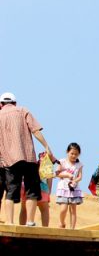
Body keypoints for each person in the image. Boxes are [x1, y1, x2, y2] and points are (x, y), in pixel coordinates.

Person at [0, 92, 53, 227]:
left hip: (8, 160)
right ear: (15, 103)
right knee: (32, 190)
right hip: (28, 157)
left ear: (1, 105)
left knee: (11, 190)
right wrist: (46, 146)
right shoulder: (23, 110)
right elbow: (35, 130)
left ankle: (10, 222)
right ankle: (30, 221)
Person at [54, 142, 84, 229]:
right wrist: (67, 175)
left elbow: (80, 176)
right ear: (67, 152)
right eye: (72, 153)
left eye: (76, 154)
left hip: (73, 188)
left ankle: (72, 229)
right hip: (63, 187)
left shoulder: (79, 165)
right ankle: (62, 223)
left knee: (73, 210)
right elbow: (57, 174)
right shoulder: (61, 162)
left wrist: (75, 181)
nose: (74, 156)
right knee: (63, 209)